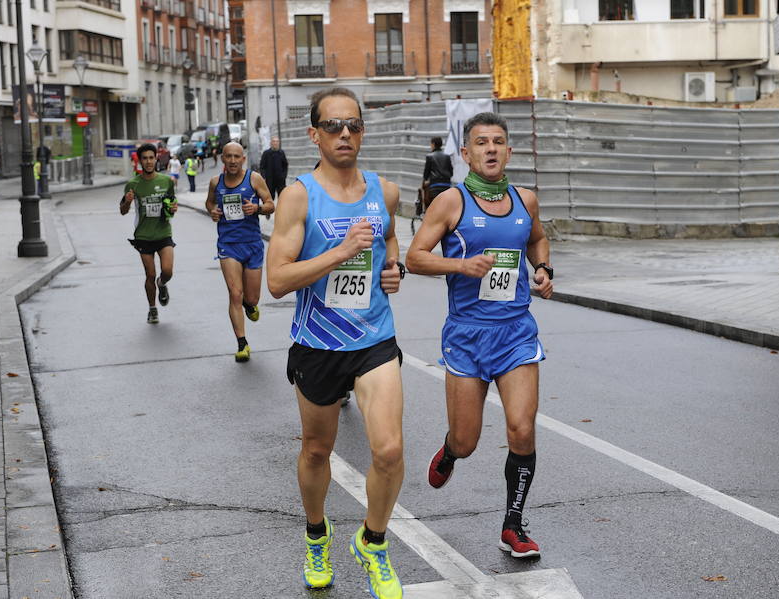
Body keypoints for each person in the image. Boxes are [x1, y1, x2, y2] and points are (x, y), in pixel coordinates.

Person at [266, 87, 405, 598]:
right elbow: (277, 280)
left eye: (353, 125)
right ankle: (317, 533)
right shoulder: (299, 196)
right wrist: (342, 249)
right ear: (314, 134)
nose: (344, 134)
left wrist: (395, 268)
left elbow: (389, 240)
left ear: (362, 132)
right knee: (317, 449)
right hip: (318, 343)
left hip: (374, 336)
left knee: (389, 449)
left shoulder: (384, 190)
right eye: (333, 126)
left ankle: (373, 541)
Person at [406, 112, 554, 560]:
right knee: (468, 440)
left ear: (509, 151)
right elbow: (415, 257)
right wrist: (460, 265)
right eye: (482, 142)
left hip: (515, 332)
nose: (491, 149)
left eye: (499, 142)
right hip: (467, 335)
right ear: (467, 154)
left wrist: (543, 270)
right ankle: (451, 450)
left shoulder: (525, 199)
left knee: (521, 429)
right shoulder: (450, 202)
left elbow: (538, 240)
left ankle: (513, 524)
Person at [205, 141, 274, 362]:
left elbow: (271, 203)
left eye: (237, 156)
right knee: (235, 293)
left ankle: (248, 304)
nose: (233, 161)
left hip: (253, 244)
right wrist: (213, 212)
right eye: (229, 156)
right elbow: (209, 204)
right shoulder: (216, 182)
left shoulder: (253, 179)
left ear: (242, 159)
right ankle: (242, 343)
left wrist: (258, 208)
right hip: (228, 245)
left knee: (251, 298)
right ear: (223, 159)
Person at [120, 143, 179, 324]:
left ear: (156, 159)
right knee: (150, 275)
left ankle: (162, 285)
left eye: (151, 158)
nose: (148, 162)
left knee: (167, 271)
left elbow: (171, 203)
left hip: (163, 232)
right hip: (144, 236)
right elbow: (122, 210)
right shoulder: (133, 184)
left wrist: (173, 207)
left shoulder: (166, 181)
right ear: (140, 161)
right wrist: (128, 202)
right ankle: (152, 309)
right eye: (144, 158)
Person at [421, 136, 453, 211]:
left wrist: (425, 180)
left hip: (434, 186)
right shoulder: (447, 156)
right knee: (445, 206)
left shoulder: (429, 156)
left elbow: (426, 173)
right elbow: (451, 172)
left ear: (433, 144)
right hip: (446, 186)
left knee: (432, 204)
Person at [260, 136, 289, 201]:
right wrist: (264, 176)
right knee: (269, 198)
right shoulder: (266, 153)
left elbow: (285, 165)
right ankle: (270, 210)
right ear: (271, 143)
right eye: (274, 141)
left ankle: (281, 210)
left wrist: (284, 176)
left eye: (277, 141)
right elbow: (262, 166)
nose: (275, 143)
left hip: (280, 180)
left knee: (282, 197)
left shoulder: (281, 153)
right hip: (270, 180)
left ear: (279, 143)